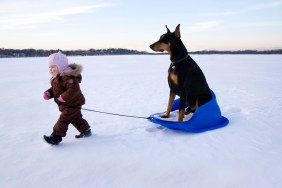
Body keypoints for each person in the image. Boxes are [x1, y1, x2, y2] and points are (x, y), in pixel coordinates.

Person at [43, 51, 91, 145]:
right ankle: (86, 131)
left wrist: (62, 98)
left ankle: (56, 136)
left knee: (64, 119)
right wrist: (49, 93)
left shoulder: (68, 77)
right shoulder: (58, 77)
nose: (51, 69)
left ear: (60, 66)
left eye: (53, 67)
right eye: (49, 67)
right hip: (67, 104)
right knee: (75, 118)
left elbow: (73, 89)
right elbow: (56, 89)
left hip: (72, 103)